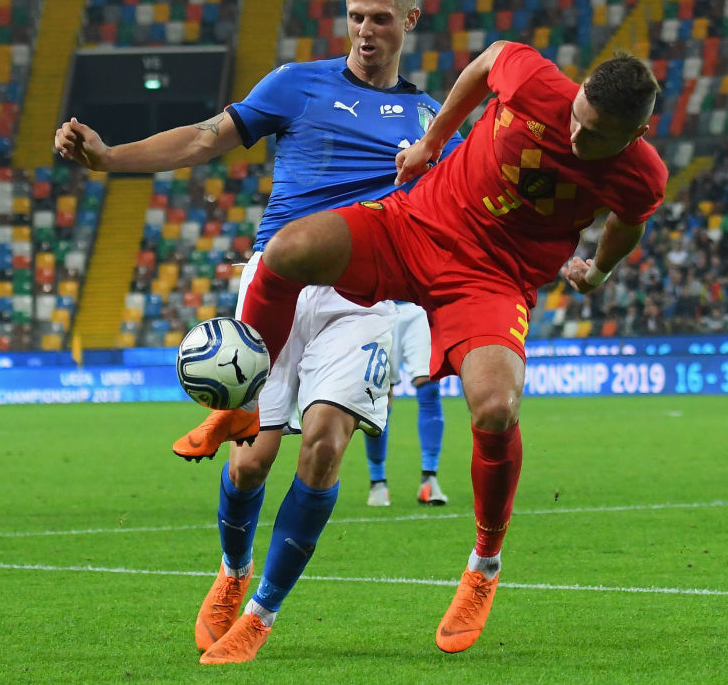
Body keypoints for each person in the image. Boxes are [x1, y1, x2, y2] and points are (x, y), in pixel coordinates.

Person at [54, 0, 462, 665]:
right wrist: (109, 158)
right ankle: (231, 570)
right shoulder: (296, 84)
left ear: (411, 20)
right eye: (356, 16)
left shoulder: (432, 121)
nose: (366, 31)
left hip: (365, 297)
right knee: (251, 465)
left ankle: (261, 612)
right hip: (276, 282)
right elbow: (208, 137)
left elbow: (469, 207)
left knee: (327, 441)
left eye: (381, 18)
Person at [234, 40, 667, 654]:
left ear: (640, 131)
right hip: (415, 225)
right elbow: (489, 59)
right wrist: (435, 141)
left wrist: (595, 271)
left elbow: (630, 219)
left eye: (597, 136)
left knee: (494, 407)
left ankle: (483, 566)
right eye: (577, 118)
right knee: (287, 252)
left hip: (490, 281)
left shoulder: (642, 174)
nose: (576, 138)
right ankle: (241, 407)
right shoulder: (538, 83)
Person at [364, 301, 449, 507]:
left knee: (429, 387)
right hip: (379, 305)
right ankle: (378, 482)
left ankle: (429, 479)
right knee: (379, 397)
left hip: (418, 304)